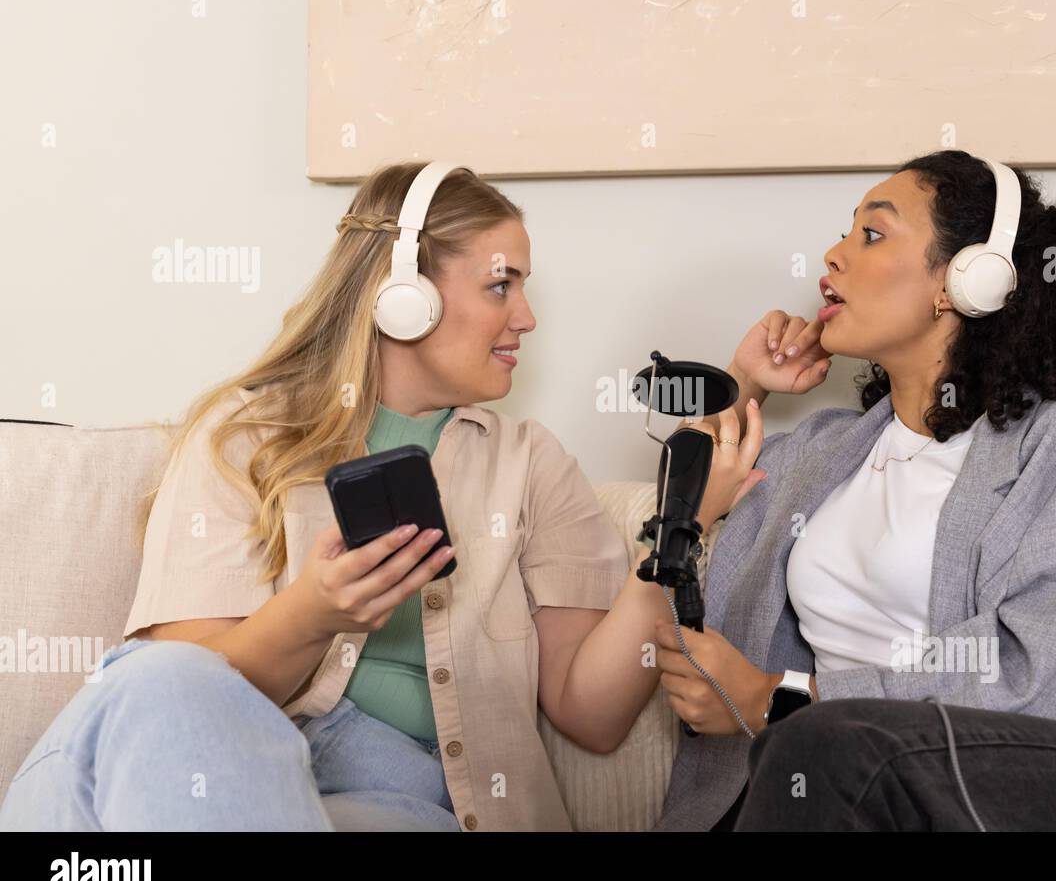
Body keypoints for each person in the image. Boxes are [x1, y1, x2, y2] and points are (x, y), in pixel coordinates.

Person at [0, 162, 743, 832]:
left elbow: (594, 714)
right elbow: (184, 698)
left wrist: (679, 530)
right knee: (150, 690)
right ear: (404, 298)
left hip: (398, 796)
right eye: (500, 284)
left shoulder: (530, 464)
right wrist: (314, 612)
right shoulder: (244, 437)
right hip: (223, 762)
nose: (527, 317)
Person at [649, 150, 1056, 832]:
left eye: (871, 234)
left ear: (967, 279)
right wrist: (745, 379)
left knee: (819, 744)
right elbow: (688, 521)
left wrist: (778, 701)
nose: (833, 255)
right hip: (863, 783)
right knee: (813, 757)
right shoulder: (819, 453)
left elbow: (1040, 672)